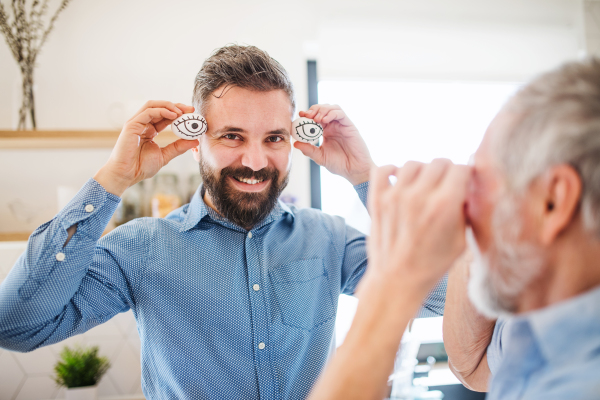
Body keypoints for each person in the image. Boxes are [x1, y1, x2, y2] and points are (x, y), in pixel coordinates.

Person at [0, 45, 446, 400]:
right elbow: (16, 326)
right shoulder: (139, 248)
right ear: (196, 142)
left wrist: (366, 178)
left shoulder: (327, 237)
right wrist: (113, 180)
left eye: (273, 138)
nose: (255, 161)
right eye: (232, 136)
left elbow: (441, 299)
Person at [306, 58, 600, 400]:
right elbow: (471, 367)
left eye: (479, 178)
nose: (465, 208)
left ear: (552, 200)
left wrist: (394, 283)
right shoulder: (536, 328)